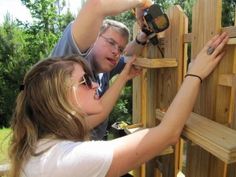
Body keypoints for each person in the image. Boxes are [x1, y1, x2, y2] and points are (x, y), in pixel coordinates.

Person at [9, 32, 228, 177]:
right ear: (59, 98)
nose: (96, 85)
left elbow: (103, 108)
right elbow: (168, 133)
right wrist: (195, 73)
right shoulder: (70, 160)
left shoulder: (40, 142)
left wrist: (124, 73)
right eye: (85, 81)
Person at [50, 0, 153, 140]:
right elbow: (96, 4)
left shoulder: (105, 67)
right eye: (111, 42)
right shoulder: (71, 56)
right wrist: (142, 3)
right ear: (94, 37)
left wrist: (142, 36)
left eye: (120, 49)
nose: (116, 52)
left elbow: (129, 56)